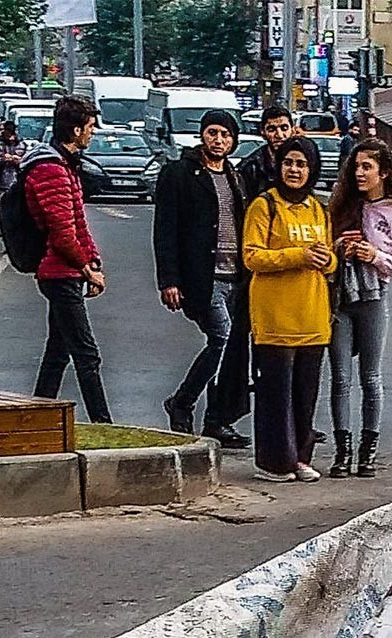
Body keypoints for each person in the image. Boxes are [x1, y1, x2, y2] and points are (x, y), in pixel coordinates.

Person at [154, 108, 254, 448]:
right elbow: (165, 230)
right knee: (221, 338)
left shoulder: (235, 177)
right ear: (202, 135)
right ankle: (182, 401)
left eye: (225, 135)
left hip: (235, 276)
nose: (219, 140)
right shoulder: (181, 173)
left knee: (226, 348)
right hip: (202, 277)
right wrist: (169, 280)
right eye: (212, 133)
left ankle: (215, 419)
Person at [242, 136, 337, 483]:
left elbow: (329, 262)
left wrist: (329, 259)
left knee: (304, 395)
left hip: (312, 317)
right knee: (275, 395)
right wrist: (298, 255)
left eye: (301, 164)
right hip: (274, 318)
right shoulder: (263, 206)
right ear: (278, 167)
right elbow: (251, 256)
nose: (294, 170)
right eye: (288, 163)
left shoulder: (318, 209)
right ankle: (273, 463)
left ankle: (300, 457)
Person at [326, 140, 392, 478]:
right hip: (340, 301)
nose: (360, 173)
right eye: (356, 166)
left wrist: (375, 256)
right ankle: (342, 451)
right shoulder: (341, 207)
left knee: (371, 378)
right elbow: (322, 254)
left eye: (368, 167)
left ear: (384, 172)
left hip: (374, 299)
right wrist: (338, 248)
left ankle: (368, 452)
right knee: (340, 378)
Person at [23, 95, 113, 428]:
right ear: (75, 130)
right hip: (58, 273)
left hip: (66, 271)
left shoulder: (64, 166)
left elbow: (79, 222)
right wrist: (87, 268)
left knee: (58, 353)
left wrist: (94, 260)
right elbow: (62, 234)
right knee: (87, 354)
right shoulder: (50, 169)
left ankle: (36, 416)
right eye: (90, 127)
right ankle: (104, 424)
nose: (92, 134)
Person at [238, 103, 293, 201]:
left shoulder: (301, 162)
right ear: (263, 132)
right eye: (272, 129)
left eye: (284, 128)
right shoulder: (251, 167)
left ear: (292, 130)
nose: (279, 135)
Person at [0, 119, 26, 197]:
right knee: (2, 204)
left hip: (17, 181)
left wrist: (19, 161)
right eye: (7, 131)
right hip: (0, 180)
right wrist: (1, 159)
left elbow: (28, 162)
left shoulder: (22, 145)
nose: (9, 135)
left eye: (11, 132)